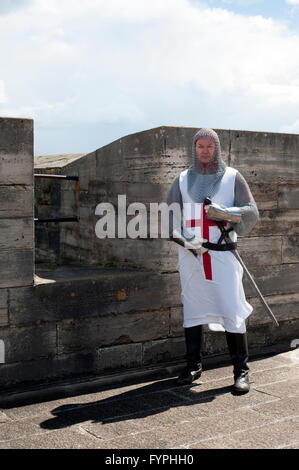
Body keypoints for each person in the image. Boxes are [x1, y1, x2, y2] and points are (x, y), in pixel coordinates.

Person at [166, 128, 259, 394]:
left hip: (222, 256)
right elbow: (171, 218)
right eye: (200, 146)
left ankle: (241, 370)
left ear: (216, 149)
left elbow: (252, 212)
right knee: (192, 308)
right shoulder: (182, 179)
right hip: (191, 257)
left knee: (231, 308)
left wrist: (226, 212)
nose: (204, 150)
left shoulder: (231, 178)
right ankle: (193, 365)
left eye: (209, 146)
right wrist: (184, 241)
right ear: (194, 149)